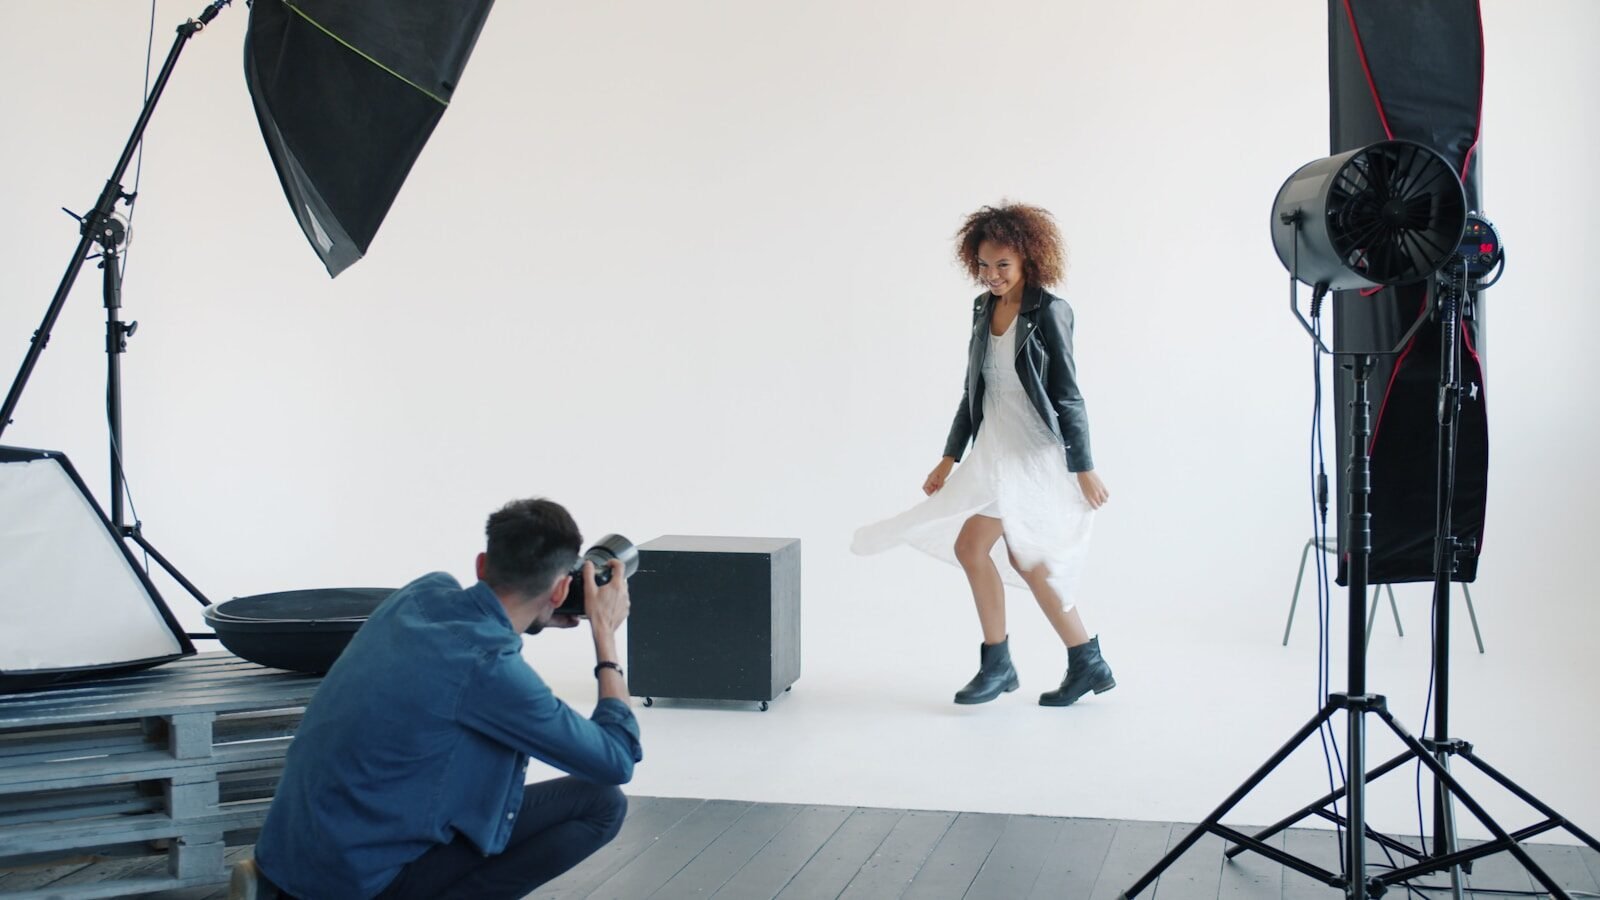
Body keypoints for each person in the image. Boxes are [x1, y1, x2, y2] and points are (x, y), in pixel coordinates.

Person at [232, 499, 641, 900]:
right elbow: (617, 759)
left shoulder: (421, 595)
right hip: (355, 885)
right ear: (562, 589)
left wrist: (538, 611)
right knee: (600, 804)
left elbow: (474, 640)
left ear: (481, 565)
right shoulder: (490, 670)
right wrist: (604, 634)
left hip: (288, 858)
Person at [852, 202, 1116, 707]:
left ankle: (1028, 664)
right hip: (993, 448)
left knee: (1011, 553)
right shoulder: (982, 308)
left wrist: (1083, 467)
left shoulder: (1051, 311)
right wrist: (948, 458)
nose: (992, 276)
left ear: (1028, 261)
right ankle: (1074, 661)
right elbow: (974, 390)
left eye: (1003, 266)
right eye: (984, 265)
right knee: (1010, 554)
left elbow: (1068, 395)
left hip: (1029, 452)